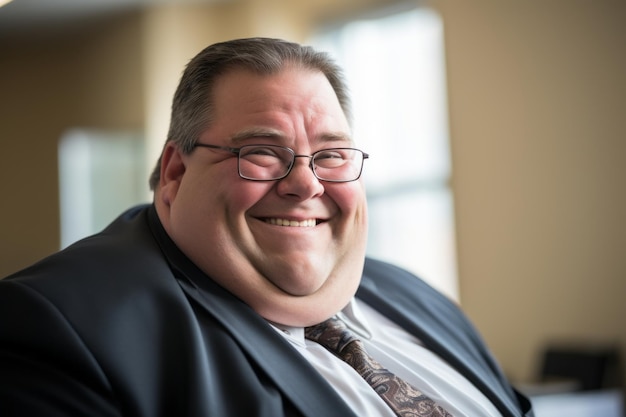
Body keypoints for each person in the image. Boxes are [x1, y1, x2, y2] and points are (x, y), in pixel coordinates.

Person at [0, 37, 533, 417]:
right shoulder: (55, 329)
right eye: (260, 152)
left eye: (331, 154)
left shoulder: (416, 296)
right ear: (175, 173)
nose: (306, 184)